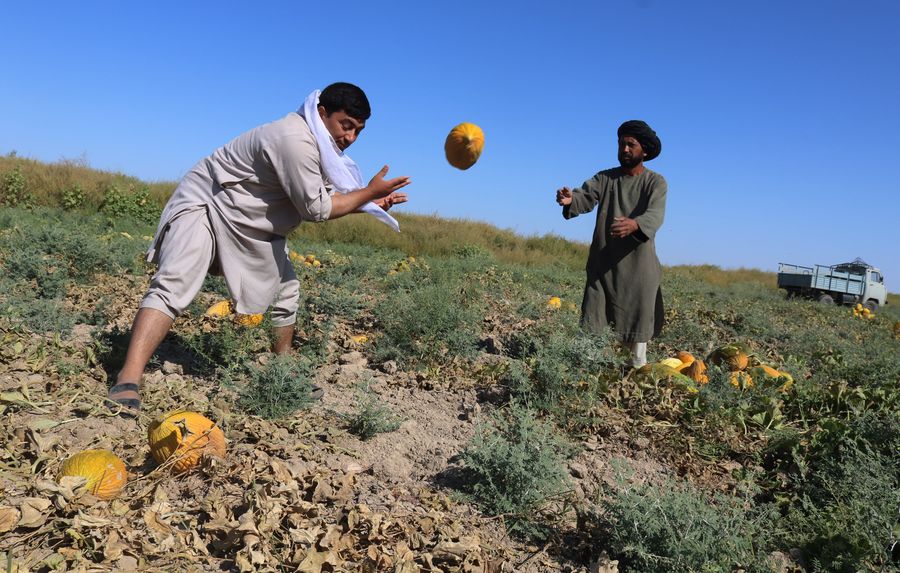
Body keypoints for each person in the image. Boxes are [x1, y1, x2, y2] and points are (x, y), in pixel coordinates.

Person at [107, 82, 411, 412]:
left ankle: (282, 375)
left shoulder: (319, 149)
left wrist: (368, 203)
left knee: (285, 292)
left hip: (248, 222)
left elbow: (324, 199)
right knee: (175, 283)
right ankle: (128, 377)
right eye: (345, 125)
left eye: (358, 131)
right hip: (209, 205)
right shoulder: (293, 139)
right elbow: (317, 210)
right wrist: (367, 193)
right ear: (322, 113)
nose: (350, 137)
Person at [555, 120, 666, 368]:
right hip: (602, 268)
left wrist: (635, 224)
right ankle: (587, 376)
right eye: (621, 144)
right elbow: (585, 195)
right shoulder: (605, 178)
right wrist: (571, 200)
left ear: (644, 150)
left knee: (635, 347)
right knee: (592, 327)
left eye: (631, 144)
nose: (624, 149)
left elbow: (655, 214)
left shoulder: (655, 182)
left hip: (639, 272)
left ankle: (632, 382)